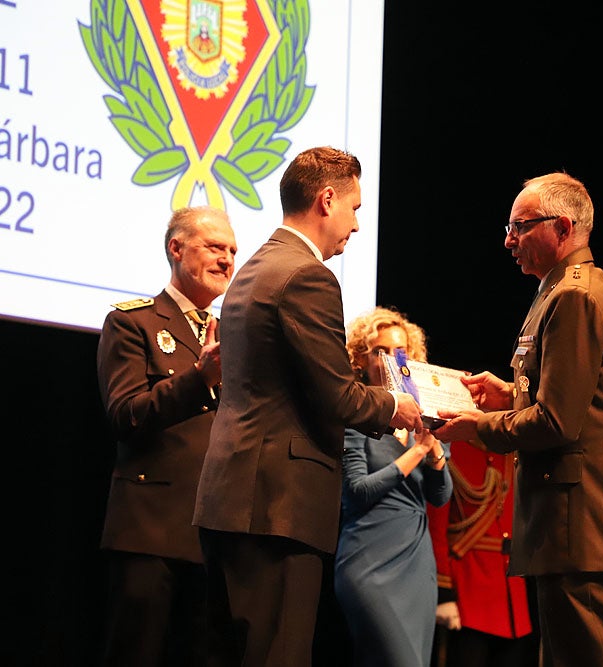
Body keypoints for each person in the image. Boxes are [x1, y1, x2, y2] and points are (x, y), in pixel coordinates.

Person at [192, 146, 424, 667]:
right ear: (326, 199)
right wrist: (400, 407)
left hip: (230, 500)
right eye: (355, 208)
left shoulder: (254, 268)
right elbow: (338, 393)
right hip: (276, 506)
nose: (358, 225)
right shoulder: (308, 276)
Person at [432, 171, 603, 666]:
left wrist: (476, 428)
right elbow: (569, 401)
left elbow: (558, 423)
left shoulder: (575, 296)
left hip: (587, 524)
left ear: (562, 228)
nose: (508, 241)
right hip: (571, 524)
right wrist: (507, 395)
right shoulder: (555, 290)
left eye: (520, 227)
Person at [95, 205, 237, 666]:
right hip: (150, 532)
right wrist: (200, 377)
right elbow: (125, 414)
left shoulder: (237, 335)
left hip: (216, 533)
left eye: (233, 251)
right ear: (176, 248)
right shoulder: (132, 322)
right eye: (215, 247)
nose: (227, 260)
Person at [334, 306, 453, 667]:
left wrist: (434, 453)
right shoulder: (356, 416)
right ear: (360, 358)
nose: (389, 360)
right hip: (368, 561)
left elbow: (440, 496)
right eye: (379, 351)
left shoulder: (427, 416)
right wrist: (417, 452)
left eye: (399, 352)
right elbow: (356, 493)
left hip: (416, 564)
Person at [426, 440, 536, 667]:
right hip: (468, 590)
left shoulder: (511, 448)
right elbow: (436, 526)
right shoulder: (451, 446)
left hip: (511, 592)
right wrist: (443, 589)